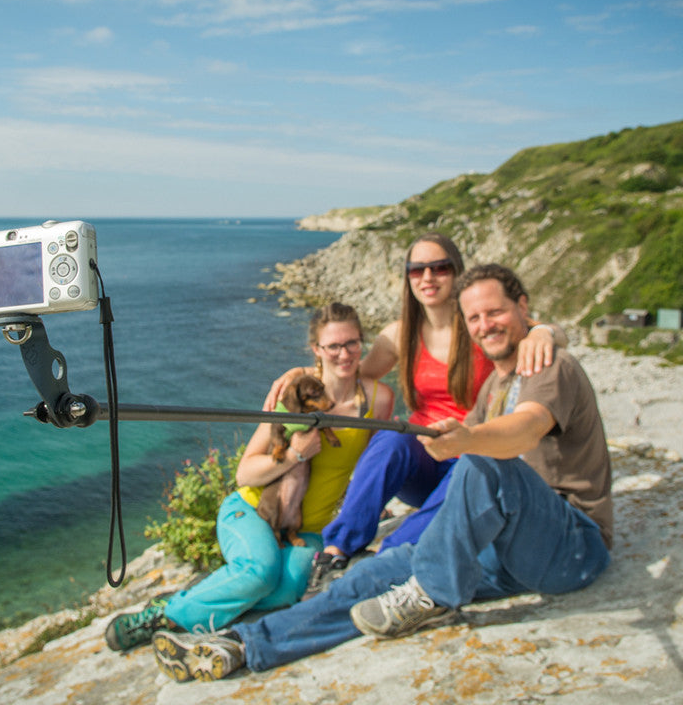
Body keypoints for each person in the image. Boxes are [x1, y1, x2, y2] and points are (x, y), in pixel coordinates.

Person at [150, 263, 612, 682]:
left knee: (482, 461)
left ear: (523, 307)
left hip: (569, 545)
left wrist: (469, 437)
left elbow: (525, 429)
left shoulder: (550, 365)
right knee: (374, 576)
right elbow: (343, 371)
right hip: (501, 547)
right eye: (474, 318)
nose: (484, 325)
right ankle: (242, 646)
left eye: (495, 312)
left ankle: (432, 592)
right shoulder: (495, 382)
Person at [263, 233, 565, 597]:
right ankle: (336, 550)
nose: (428, 277)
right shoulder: (400, 334)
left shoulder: (478, 326)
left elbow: (541, 330)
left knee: (467, 468)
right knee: (391, 436)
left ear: (457, 271)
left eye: (440, 267)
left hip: (473, 460)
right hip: (424, 459)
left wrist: (543, 332)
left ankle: (382, 564)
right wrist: (301, 374)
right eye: (417, 269)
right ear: (407, 277)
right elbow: (350, 372)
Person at [104, 302, 394, 652]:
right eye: (333, 346)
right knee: (260, 571)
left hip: (307, 529)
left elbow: (370, 465)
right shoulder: (293, 396)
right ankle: (165, 614)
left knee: (287, 591)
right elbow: (246, 472)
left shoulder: (378, 399)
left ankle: (202, 594)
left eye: (352, 343)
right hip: (253, 511)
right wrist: (295, 455)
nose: (344, 354)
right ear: (316, 349)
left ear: (362, 342)